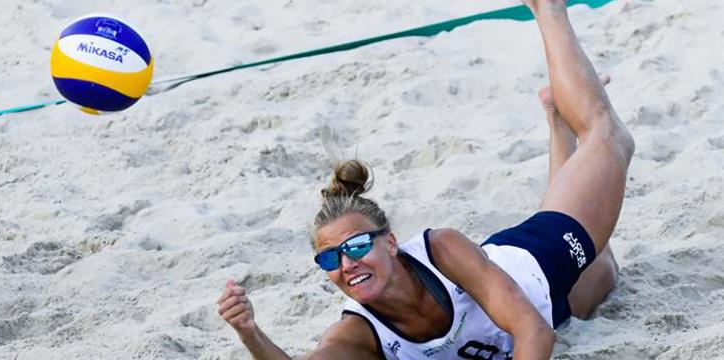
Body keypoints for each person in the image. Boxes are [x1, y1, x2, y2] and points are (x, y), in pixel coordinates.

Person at [216, 0, 635, 358]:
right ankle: (557, 120)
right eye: (330, 259)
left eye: (357, 246)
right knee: (605, 270)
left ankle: (547, 8)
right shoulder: (357, 333)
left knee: (607, 135)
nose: (346, 264)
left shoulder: (441, 249)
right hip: (551, 307)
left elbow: (535, 333)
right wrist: (250, 333)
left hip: (541, 263)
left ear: (391, 243)